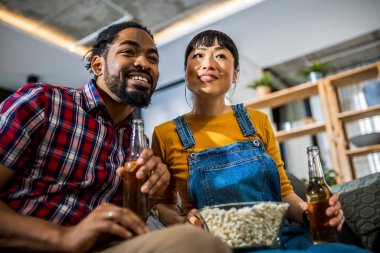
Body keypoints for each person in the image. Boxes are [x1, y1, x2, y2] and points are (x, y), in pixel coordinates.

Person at [0, 22, 232, 253]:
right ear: (98, 65)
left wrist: (149, 197)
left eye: (152, 59)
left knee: (199, 239)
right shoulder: (43, 102)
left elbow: (134, 219)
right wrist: (62, 237)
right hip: (35, 243)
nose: (143, 63)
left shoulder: (137, 142)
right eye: (128, 52)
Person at [151, 30, 368, 252]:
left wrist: (307, 213)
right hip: (220, 246)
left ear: (235, 74)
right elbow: (163, 204)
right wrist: (183, 223)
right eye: (197, 55)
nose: (207, 63)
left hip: (284, 238)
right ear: (186, 71)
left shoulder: (257, 121)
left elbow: (284, 192)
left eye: (220, 56)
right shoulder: (166, 134)